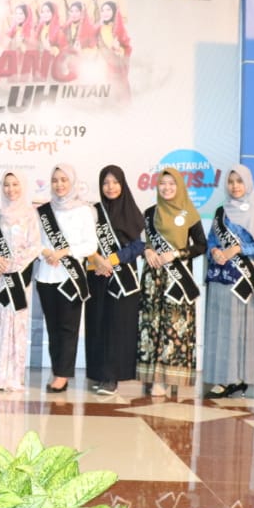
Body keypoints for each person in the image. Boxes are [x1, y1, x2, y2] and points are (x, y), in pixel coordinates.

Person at [137, 168, 207, 398]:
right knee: (152, 327)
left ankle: (170, 379)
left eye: (171, 184)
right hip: (153, 277)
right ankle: (153, 376)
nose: (167, 188)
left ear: (179, 186)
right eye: (163, 184)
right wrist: (147, 250)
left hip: (177, 279)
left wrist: (176, 254)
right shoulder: (149, 213)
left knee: (173, 328)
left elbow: (201, 246)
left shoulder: (189, 213)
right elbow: (144, 242)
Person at [202, 165, 254, 399]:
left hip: (241, 281)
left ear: (247, 183)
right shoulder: (221, 211)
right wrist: (216, 251)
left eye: (239, 181)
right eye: (231, 182)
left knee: (238, 330)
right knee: (220, 329)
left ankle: (236, 379)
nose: (235, 186)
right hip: (219, 278)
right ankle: (222, 376)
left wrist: (234, 250)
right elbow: (210, 240)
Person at [36, 164, 98, 393]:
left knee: (68, 328)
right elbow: (34, 241)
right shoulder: (43, 211)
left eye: (64, 180)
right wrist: (46, 252)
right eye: (55, 180)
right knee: (53, 328)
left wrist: (64, 251)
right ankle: (57, 369)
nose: (59, 184)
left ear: (72, 182)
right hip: (46, 276)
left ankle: (62, 375)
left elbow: (91, 245)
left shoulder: (83, 210)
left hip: (70, 278)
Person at [84, 165, 144, 396]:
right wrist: (98, 260)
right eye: (106, 183)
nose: (110, 187)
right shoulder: (93, 212)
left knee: (118, 328)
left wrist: (114, 259)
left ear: (123, 184)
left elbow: (139, 245)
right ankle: (99, 373)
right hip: (97, 275)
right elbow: (84, 240)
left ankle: (112, 377)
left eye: (115, 182)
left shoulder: (131, 210)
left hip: (123, 277)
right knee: (98, 324)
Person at [0, 172, 41, 392]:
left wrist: (12, 266)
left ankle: (14, 376)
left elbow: (34, 247)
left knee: (16, 325)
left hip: (18, 278)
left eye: (15, 184)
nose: (10, 189)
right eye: (6, 185)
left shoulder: (30, 216)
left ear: (22, 186)